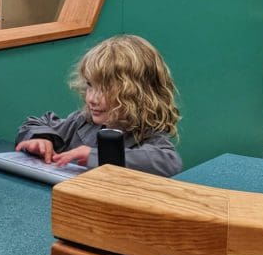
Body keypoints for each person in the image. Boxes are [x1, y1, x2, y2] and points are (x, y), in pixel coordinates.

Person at [15, 34, 182, 177]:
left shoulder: (148, 135)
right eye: (90, 85)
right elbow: (37, 123)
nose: (92, 99)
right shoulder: (82, 122)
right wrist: (41, 138)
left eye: (105, 89)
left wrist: (96, 155)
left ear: (136, 94)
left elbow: (169, 162)